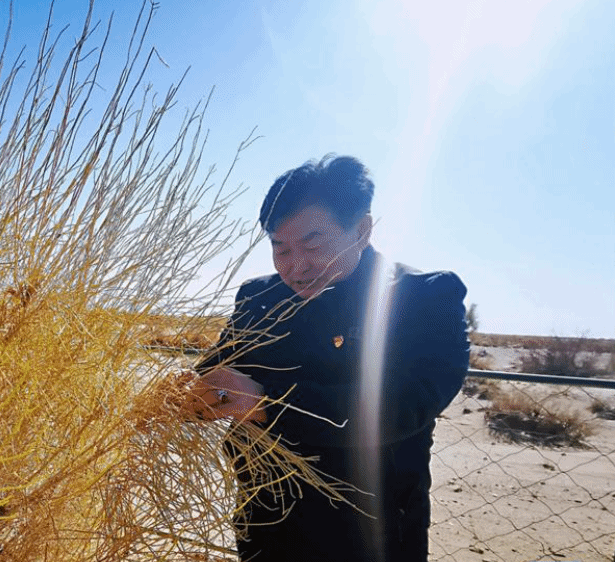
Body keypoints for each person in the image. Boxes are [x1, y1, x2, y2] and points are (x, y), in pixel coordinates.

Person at [187, 155, 470, 562]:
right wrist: (187, 396)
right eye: (279, 248)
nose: (295, 266)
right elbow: (218, 376)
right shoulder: (258, 300)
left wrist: (264, 402)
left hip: (370, 532)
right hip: (266, 525)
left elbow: (403, 405)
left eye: (312, 244)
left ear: (361, 229)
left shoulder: (424, 298)